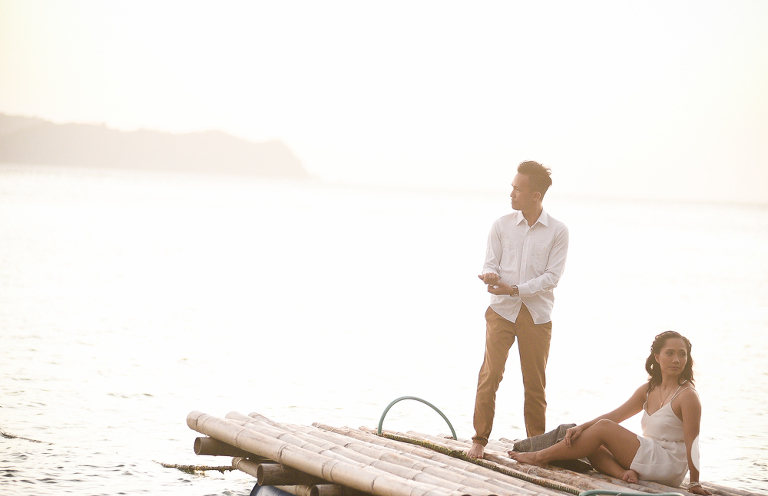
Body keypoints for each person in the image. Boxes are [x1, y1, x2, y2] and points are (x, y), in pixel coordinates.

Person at [508, 331, 711, 495]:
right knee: (590, 440)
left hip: (669, 464)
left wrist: (694, 482)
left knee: (602, 429)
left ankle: (539, 457)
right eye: (670, 353)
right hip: (651, 453)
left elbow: (692, 442)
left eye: (682, 354)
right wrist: (581, 427)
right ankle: (623, 473)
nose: (676, 359)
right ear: (657, 357)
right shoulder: (648, 389)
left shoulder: (688, 396)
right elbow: (615, 416)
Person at [468, 160, 569, 460]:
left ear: (535, 195)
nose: (511, 193)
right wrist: (490, 276)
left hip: (537, 316)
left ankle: (537, 448)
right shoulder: (500, 225)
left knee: (535, 384)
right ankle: (479, 440)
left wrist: (515, 289)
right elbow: (490, 262)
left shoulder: (558, 231)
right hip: (501, 311)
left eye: (517, 189)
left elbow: (552, 277)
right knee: (490, 375)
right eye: (512, 187)